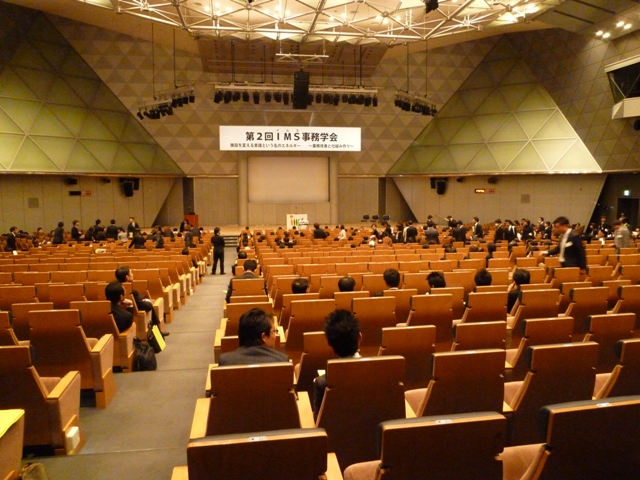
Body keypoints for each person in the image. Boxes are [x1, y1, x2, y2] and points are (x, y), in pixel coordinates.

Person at [312, 309, 362, 419]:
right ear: (360, 337)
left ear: (329, 343)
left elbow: (318, 421)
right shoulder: (382, 374)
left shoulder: (322, 383)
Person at [218, 308, 289, 366]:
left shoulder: (225, 361)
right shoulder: (281, 360)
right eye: (274, 331)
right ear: (264, 337)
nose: (275, 335)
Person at [115, 266, 168, 336]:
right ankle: (158, 334)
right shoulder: (130, 291)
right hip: (133, 316)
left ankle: (158, 332)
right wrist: (148, 301)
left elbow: (136, 299)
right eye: (131, 273)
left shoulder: (115, 288)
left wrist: (143, 298)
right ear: (127, 277)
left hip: (119, 315)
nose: (133, 274)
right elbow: (146, 306)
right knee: (149, 305)